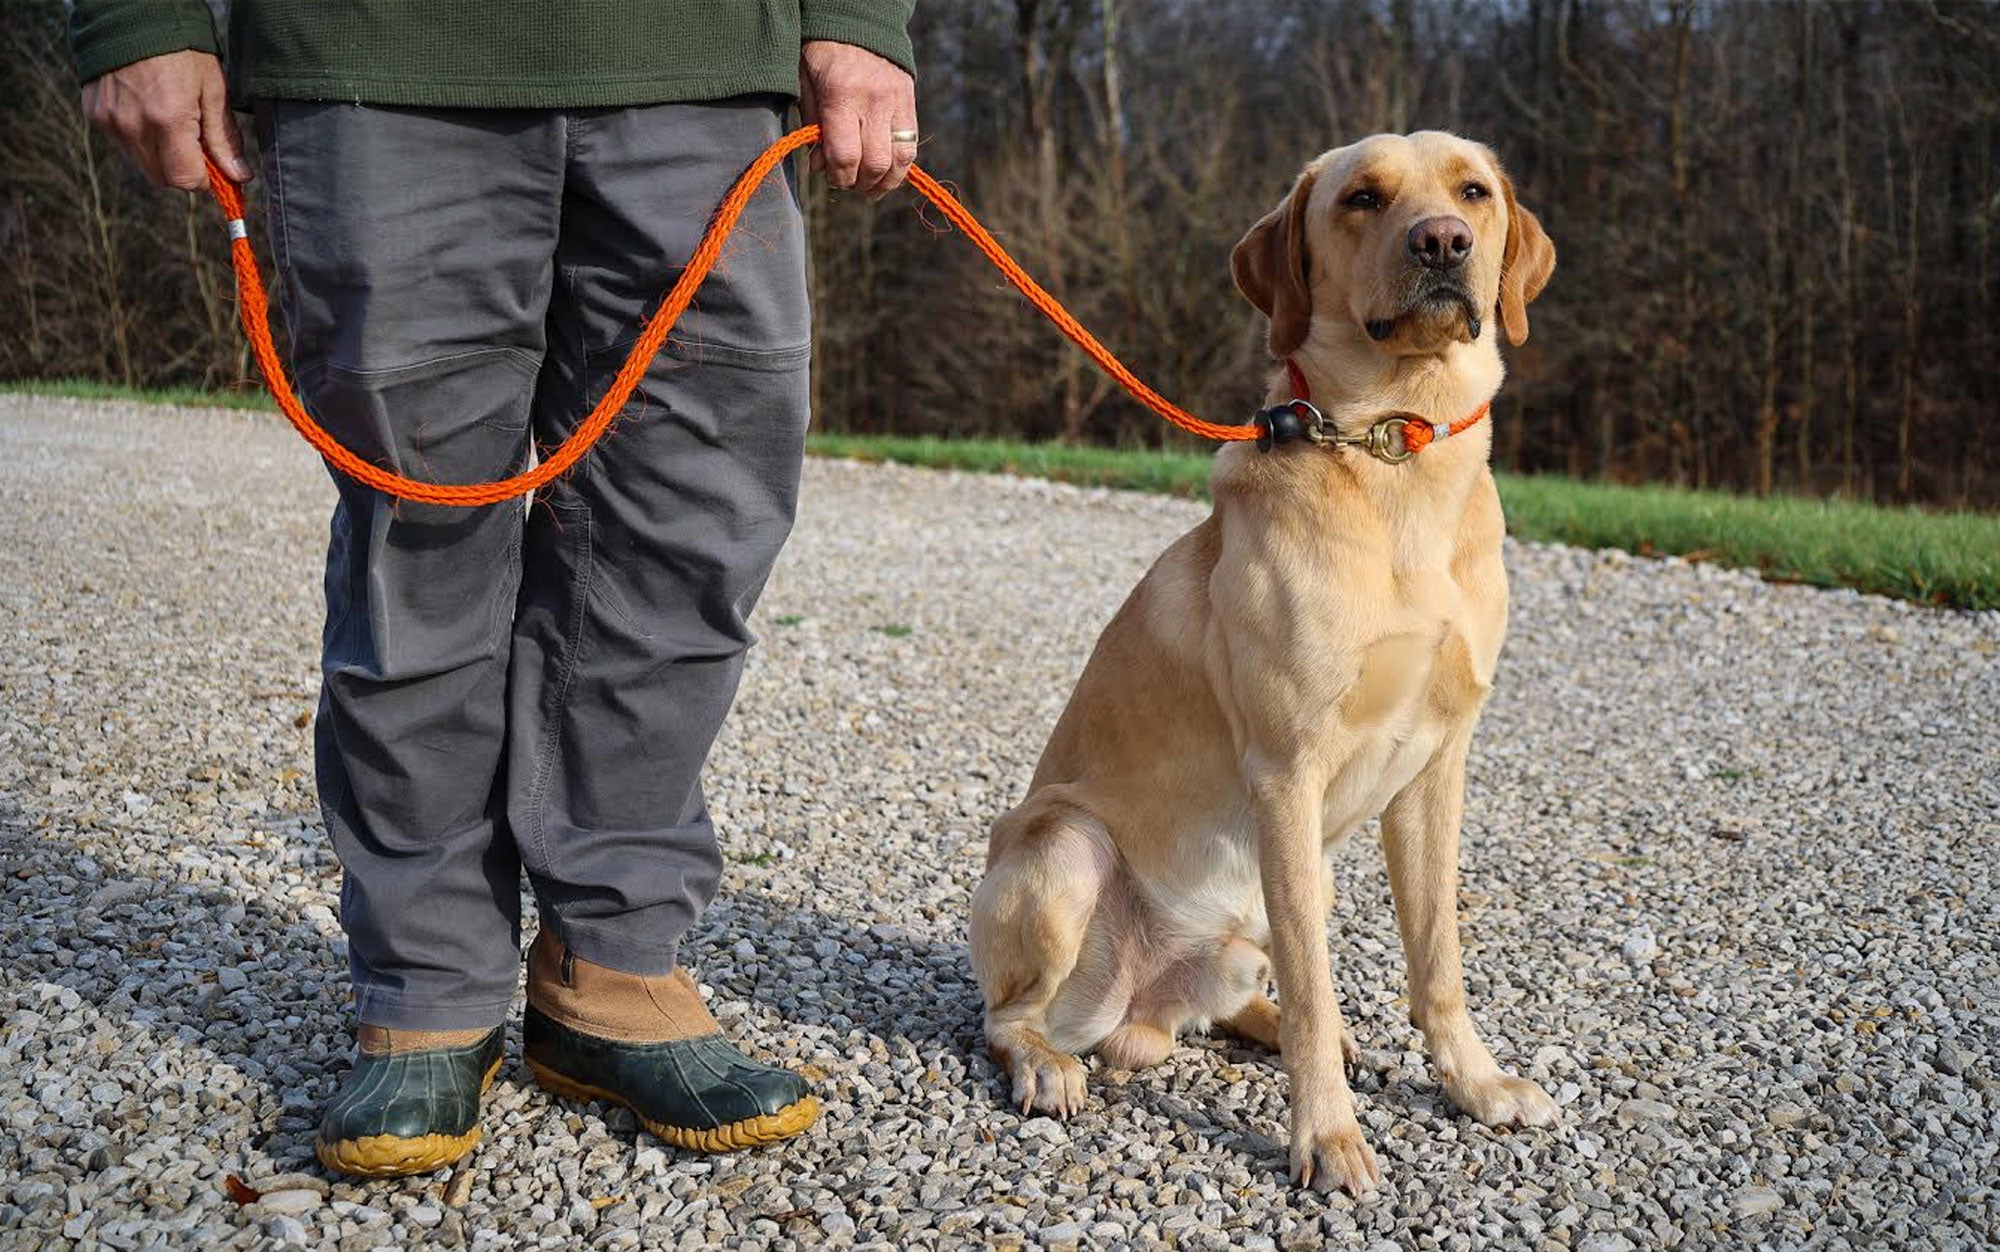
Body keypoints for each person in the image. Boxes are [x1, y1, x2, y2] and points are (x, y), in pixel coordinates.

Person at [72, 0, 917, 1178]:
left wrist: (861, 16)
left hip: (707, 69)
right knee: (419, 544)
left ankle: (609, 965)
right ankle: (427, 983)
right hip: (378, 59)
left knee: (686, 534)